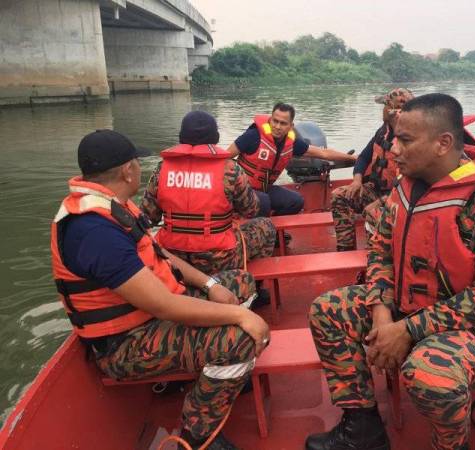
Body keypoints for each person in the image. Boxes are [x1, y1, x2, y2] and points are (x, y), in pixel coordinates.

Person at [306, 94, 475, 450]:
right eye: (394, 138)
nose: (393, 149)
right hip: (409, 301)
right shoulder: (406, 186)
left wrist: (407, 330)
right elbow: (380, 247)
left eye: (405, 140)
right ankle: (363, 429)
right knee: (328, 311)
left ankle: (451, 445)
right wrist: (381, 314)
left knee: (429, 375)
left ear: (444, 143)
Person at [50, 129, 270, 450]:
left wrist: (210, 284)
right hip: (126, 346)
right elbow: (164, 306)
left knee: (239, 282)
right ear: (127, 170)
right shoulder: (93, 230)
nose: (139, 168)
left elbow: (162, 255)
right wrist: (239, 315)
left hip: (150, 319)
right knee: (240, 339)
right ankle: (195, 435)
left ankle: (215, 371)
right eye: (137, 163)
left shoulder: (116, 208)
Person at [141, 110, 276, 277]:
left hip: (172, 258)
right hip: (218, 259)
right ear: (215, 138)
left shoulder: (162, 169)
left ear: (181, 137)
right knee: (267, 226)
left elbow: (148, 217)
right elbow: (251, 210)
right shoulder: (230, 169)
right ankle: (257, 290)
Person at [228, 102, 357, 217]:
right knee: (264, 201)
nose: (277, 127)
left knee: (295, 201)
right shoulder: (253, 136)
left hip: (263, 189)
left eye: (283, 123)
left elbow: (323, 153)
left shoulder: (291, 143)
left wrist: (352, 158)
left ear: (291, 126)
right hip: (240, 191)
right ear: (270, 120)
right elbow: (224, 157)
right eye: (275, 121)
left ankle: (275, 235)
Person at [331, 88, 414, 252]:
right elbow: (363, 158)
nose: (383, 110)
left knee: (373, 212)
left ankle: (374, 259)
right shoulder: (383, 132)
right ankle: (345, 249)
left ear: (396, 110)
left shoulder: (411, 138)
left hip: (399, 199)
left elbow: (409, 186)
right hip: (375, 189)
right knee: (340, 195)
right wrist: (357, 180)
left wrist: (380, 202)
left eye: (386, 106)